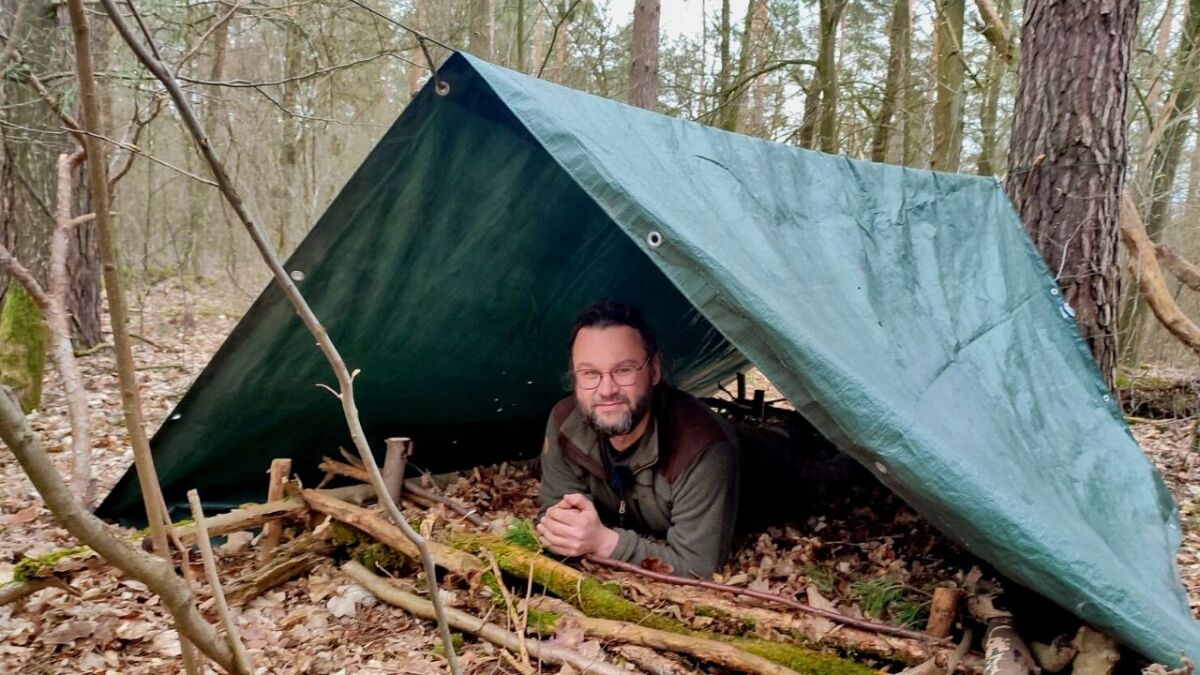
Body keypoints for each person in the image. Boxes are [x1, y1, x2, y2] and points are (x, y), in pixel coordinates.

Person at [536, 299, 740, 578]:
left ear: (654, 370)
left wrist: (605, 543)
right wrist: (566, 529)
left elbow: (698, 568)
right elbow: (556, 518)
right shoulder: (564, 424)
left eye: (623, 370)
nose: (606, 389)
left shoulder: (703, 447)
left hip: (779, 468)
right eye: (590, 373)